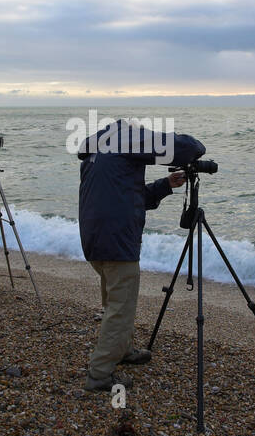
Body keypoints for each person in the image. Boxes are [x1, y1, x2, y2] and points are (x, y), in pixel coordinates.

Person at [77, 119, 205, 391]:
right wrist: (195, 149)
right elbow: (185, 147)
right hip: (117, 241)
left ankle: (122, 350)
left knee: (114, 301)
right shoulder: (128, 139)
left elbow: (129, 197)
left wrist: (167, 184)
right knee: (120, 311)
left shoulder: (96, 153)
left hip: (94, 239)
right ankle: (99, 374)